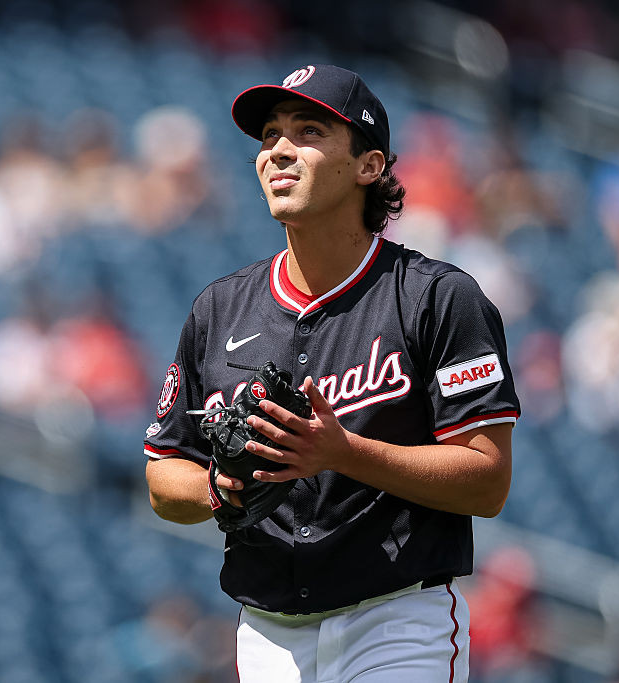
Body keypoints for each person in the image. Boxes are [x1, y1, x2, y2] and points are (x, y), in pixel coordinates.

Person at [143, 64, 520, 682]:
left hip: (396, 622)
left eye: (309, 131)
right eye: (269, 135)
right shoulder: (219, 308)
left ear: (369, 165)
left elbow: (487, 481)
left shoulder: (437, 298)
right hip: (266, 635)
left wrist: (342, 453)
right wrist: (218, 488)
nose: (278, 150)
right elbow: (163, 477)